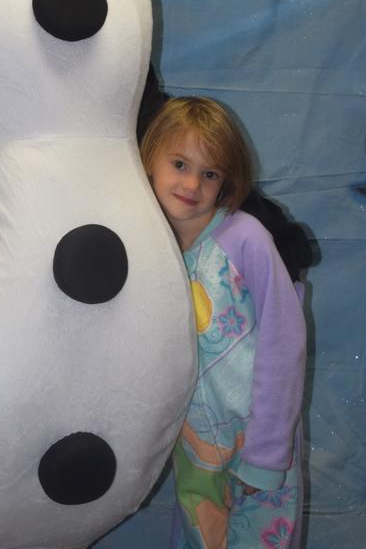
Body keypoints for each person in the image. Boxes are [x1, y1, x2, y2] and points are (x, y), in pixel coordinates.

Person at [140, 96, 305, 549]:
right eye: (179, 163)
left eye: (209, 173)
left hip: (257, 442)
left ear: (225, 180)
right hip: (193, 446)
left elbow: (284, 342)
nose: (192, 183)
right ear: (148, 159)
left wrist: (267, 454)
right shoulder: (148, 246)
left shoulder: (246, 237)